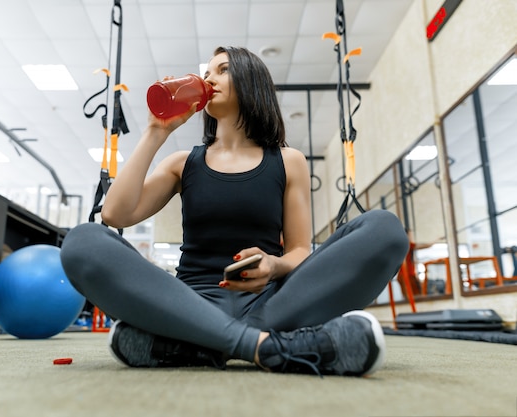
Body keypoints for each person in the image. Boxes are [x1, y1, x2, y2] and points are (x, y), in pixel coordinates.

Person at [60, 46, 409, 377]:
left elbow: (300, 250)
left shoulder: (289, 161)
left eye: (223, 70)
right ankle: (265, 347)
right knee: (83, 242)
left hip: (272, 305)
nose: (209, 79)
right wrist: (156, 131)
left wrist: (275, 265)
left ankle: (197, 345)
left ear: (251, 81)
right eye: (207, 72)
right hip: (189, 303)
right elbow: (114, 216)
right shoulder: (182, 163)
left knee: (384, 229)